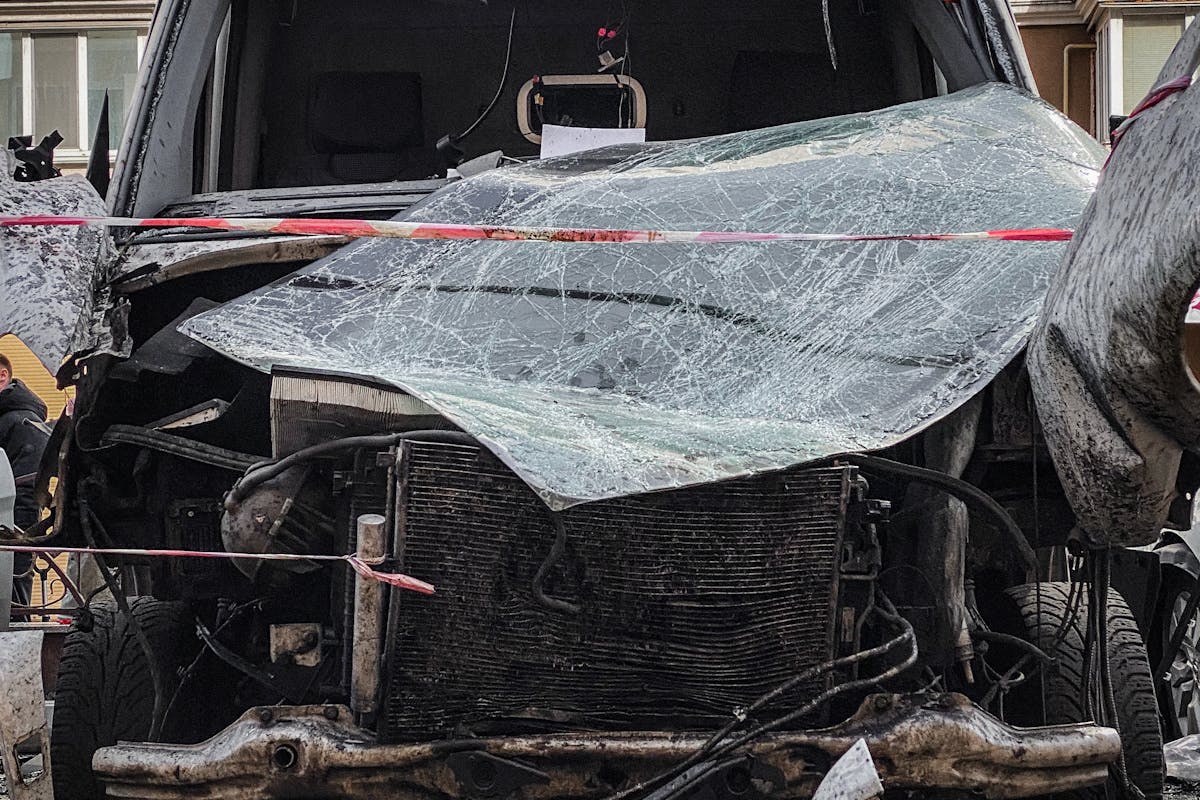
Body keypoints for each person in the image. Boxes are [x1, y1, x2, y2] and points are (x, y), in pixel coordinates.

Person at [0, 354, 49, 609]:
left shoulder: (22, 421)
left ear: (2, 375)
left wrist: (18, 540)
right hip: (10, 530)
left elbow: (28, 489)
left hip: (11, 531)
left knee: (12, 607)